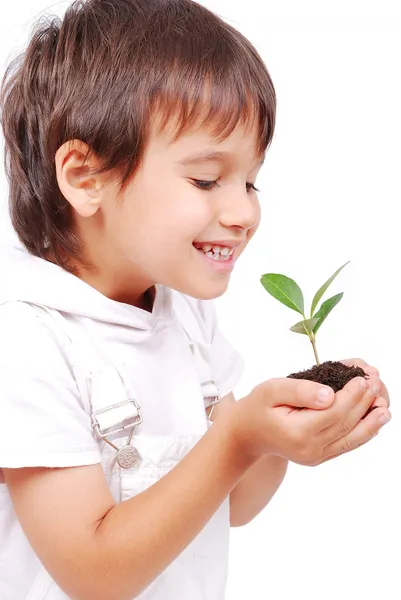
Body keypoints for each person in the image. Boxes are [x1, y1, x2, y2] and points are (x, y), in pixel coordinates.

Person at [0, 1, 391, 599]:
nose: (244, 213)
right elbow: (92, 574)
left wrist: (280, 433)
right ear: (85, 178)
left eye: (251, 180)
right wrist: (237, 438)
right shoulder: (28, 339)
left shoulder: (185, 314)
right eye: (207, 180)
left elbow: (233, 504)